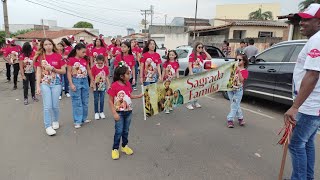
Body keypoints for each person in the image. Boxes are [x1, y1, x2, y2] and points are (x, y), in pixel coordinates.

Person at [284, 4, 320, 180]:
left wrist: (295, 106)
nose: (301, 23)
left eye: (307, 19)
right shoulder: (315, 39)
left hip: (309, 106)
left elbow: (313, 75)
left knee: (297, 144)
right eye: (302, 19)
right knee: (306, 144)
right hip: (313, 105)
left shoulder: (317, 40)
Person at [107, 62, 143, 160]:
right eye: (128, 73)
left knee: (126, 130)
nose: (129, 75)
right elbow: (110, 100)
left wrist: (138, 96)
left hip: (128, 112)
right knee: (118, 131)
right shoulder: (114, 86)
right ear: (122, 76)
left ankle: (124, 146)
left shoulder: (128, 84)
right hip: (119, 112)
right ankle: (115, 149)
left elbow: (129, 96)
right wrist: (114, 113)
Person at [34, 38, 66, 136]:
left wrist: (52, 68)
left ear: (53, 45)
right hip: (45, 83)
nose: (48, 46)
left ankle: (55, 120)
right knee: (47, 106)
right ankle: (48, 126)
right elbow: (38, 72)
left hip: (56, 83)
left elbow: (63, 71)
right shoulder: (40, 57)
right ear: (43, 46)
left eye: (50, 44)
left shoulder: (58, 56)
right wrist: (38, 86)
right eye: (46, 44)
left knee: (55, 105)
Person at [67, 43, 94, 129]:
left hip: (84, 80)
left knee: (85, 101)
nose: (84, 54)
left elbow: (89, 70)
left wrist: (92, 80)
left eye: (85, 52)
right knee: (77, 101)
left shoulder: (85, 59)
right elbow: (68, 72)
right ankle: (77, 121)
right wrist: (71, 83)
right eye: (83, 52)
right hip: (76, 81)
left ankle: (83, 118)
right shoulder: (71, 60)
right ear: (77, 50)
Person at [186, 42, 212, 110]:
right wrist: (191, 72)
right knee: (192, 89)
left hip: (200, 73)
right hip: (194, 73)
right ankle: (189, 103)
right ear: (196, 48)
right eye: (199, 47)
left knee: (198, 89)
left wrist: (204, 51)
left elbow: (209, 58)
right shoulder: (192, 55)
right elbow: (189, 64)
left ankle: (195, 102)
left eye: (201, 47)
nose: (200, 48)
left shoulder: (202, 55)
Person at [226, 54, 249, 128]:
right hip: (230, 89)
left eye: (240, 60)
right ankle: (240, 118)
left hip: (238, 91)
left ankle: (230, 119)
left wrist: (238, 72)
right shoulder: (233, 68)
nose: (237, 61)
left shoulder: (245, 71)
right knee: (236, 105)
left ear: (244, 61)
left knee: (234, 105)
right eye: (236, 59)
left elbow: (242, 80)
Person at [91, 55, 110, 120]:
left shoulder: (105, 68)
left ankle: (101, 111)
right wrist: (92, 84)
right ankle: (96, 112)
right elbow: (92, 77)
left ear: (104, 62)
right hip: (96, 85)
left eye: (101, 63)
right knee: (96, 99)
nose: (100, 64)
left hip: (102, 85)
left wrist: (109, 85)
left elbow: (107, 77)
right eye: (98, 63)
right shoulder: (94, 68)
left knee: (102, 99)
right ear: (96, 62)